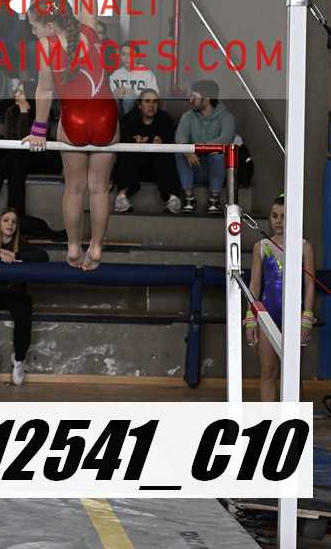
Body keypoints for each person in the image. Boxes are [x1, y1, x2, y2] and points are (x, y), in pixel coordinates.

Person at [22, 0, 118, 271]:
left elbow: (45, 91)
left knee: (75, 188)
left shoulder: (46, 47)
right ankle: (97, 248)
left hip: (74, 122)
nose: (32, 31)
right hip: (106, 118)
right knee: (100, 188)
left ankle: (74, 248)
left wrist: (38, 130)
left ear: (49, 27)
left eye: (33, 26)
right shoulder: (90, 27)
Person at [245, 196, 315, 402]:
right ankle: (269, 419)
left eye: (284, 216)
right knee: (268, 371)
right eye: (274, 216)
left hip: (294, 317)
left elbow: (310, 285)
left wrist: (307, 318)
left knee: (292, 374)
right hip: (268, 316)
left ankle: (293, 418)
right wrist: (250, 319)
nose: (278, 221)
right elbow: (254, 286)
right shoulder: (261, 246)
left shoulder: (304, 247)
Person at [0, 208, 49, 386]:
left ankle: (19, 360)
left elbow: (43, 256)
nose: (10, 224)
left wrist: (16, 255)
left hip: (15, 292)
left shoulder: (22, 244)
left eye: (14, 221)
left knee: (24, 314)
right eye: (6, 220)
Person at [0, 81, 61, 214]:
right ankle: (17, 216)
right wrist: (22, 113)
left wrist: (24, 113)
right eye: (17, 91)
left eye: (20, 92)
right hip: (20, 157)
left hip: (41, 157)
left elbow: (34, 141)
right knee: (17, 165)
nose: (16, 94)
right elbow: (15, 140)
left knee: (18, 158)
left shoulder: (42, 113)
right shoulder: (11, 112)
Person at [114, 89, 181, 214]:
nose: (151, 105)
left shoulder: (165, 119)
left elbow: (171, 138)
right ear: (139, 105)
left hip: (156, 168)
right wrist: (134, 142)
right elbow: (121, 140)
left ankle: (173, 198)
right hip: (136, 167)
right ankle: (121, 197)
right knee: (127, 151)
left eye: (155, 102)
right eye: (147, 101)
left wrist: (161, 142)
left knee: (165, 153)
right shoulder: (129, 119)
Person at [175, 79, 236, 214]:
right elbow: (180, 138)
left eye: (194, 97)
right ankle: (189, 198)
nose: (191, 100)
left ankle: (214, 200)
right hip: (194, 167)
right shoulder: (188, 116)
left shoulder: (226, 117)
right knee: (180, 152)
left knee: (217, 154)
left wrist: (198, 148)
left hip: (216, 170)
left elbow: (225, 140)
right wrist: (188, 152)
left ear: (207, 98)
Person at [109, 42, 159, 116]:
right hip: (119, 112)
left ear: (137, 57)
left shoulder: (147, 74)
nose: (126, 58)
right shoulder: (115, 75)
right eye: (123, 54)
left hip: (140, 113)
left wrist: (135, 95)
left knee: (129, 97)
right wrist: (115, 93)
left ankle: (129, 122)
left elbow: (154, 97)